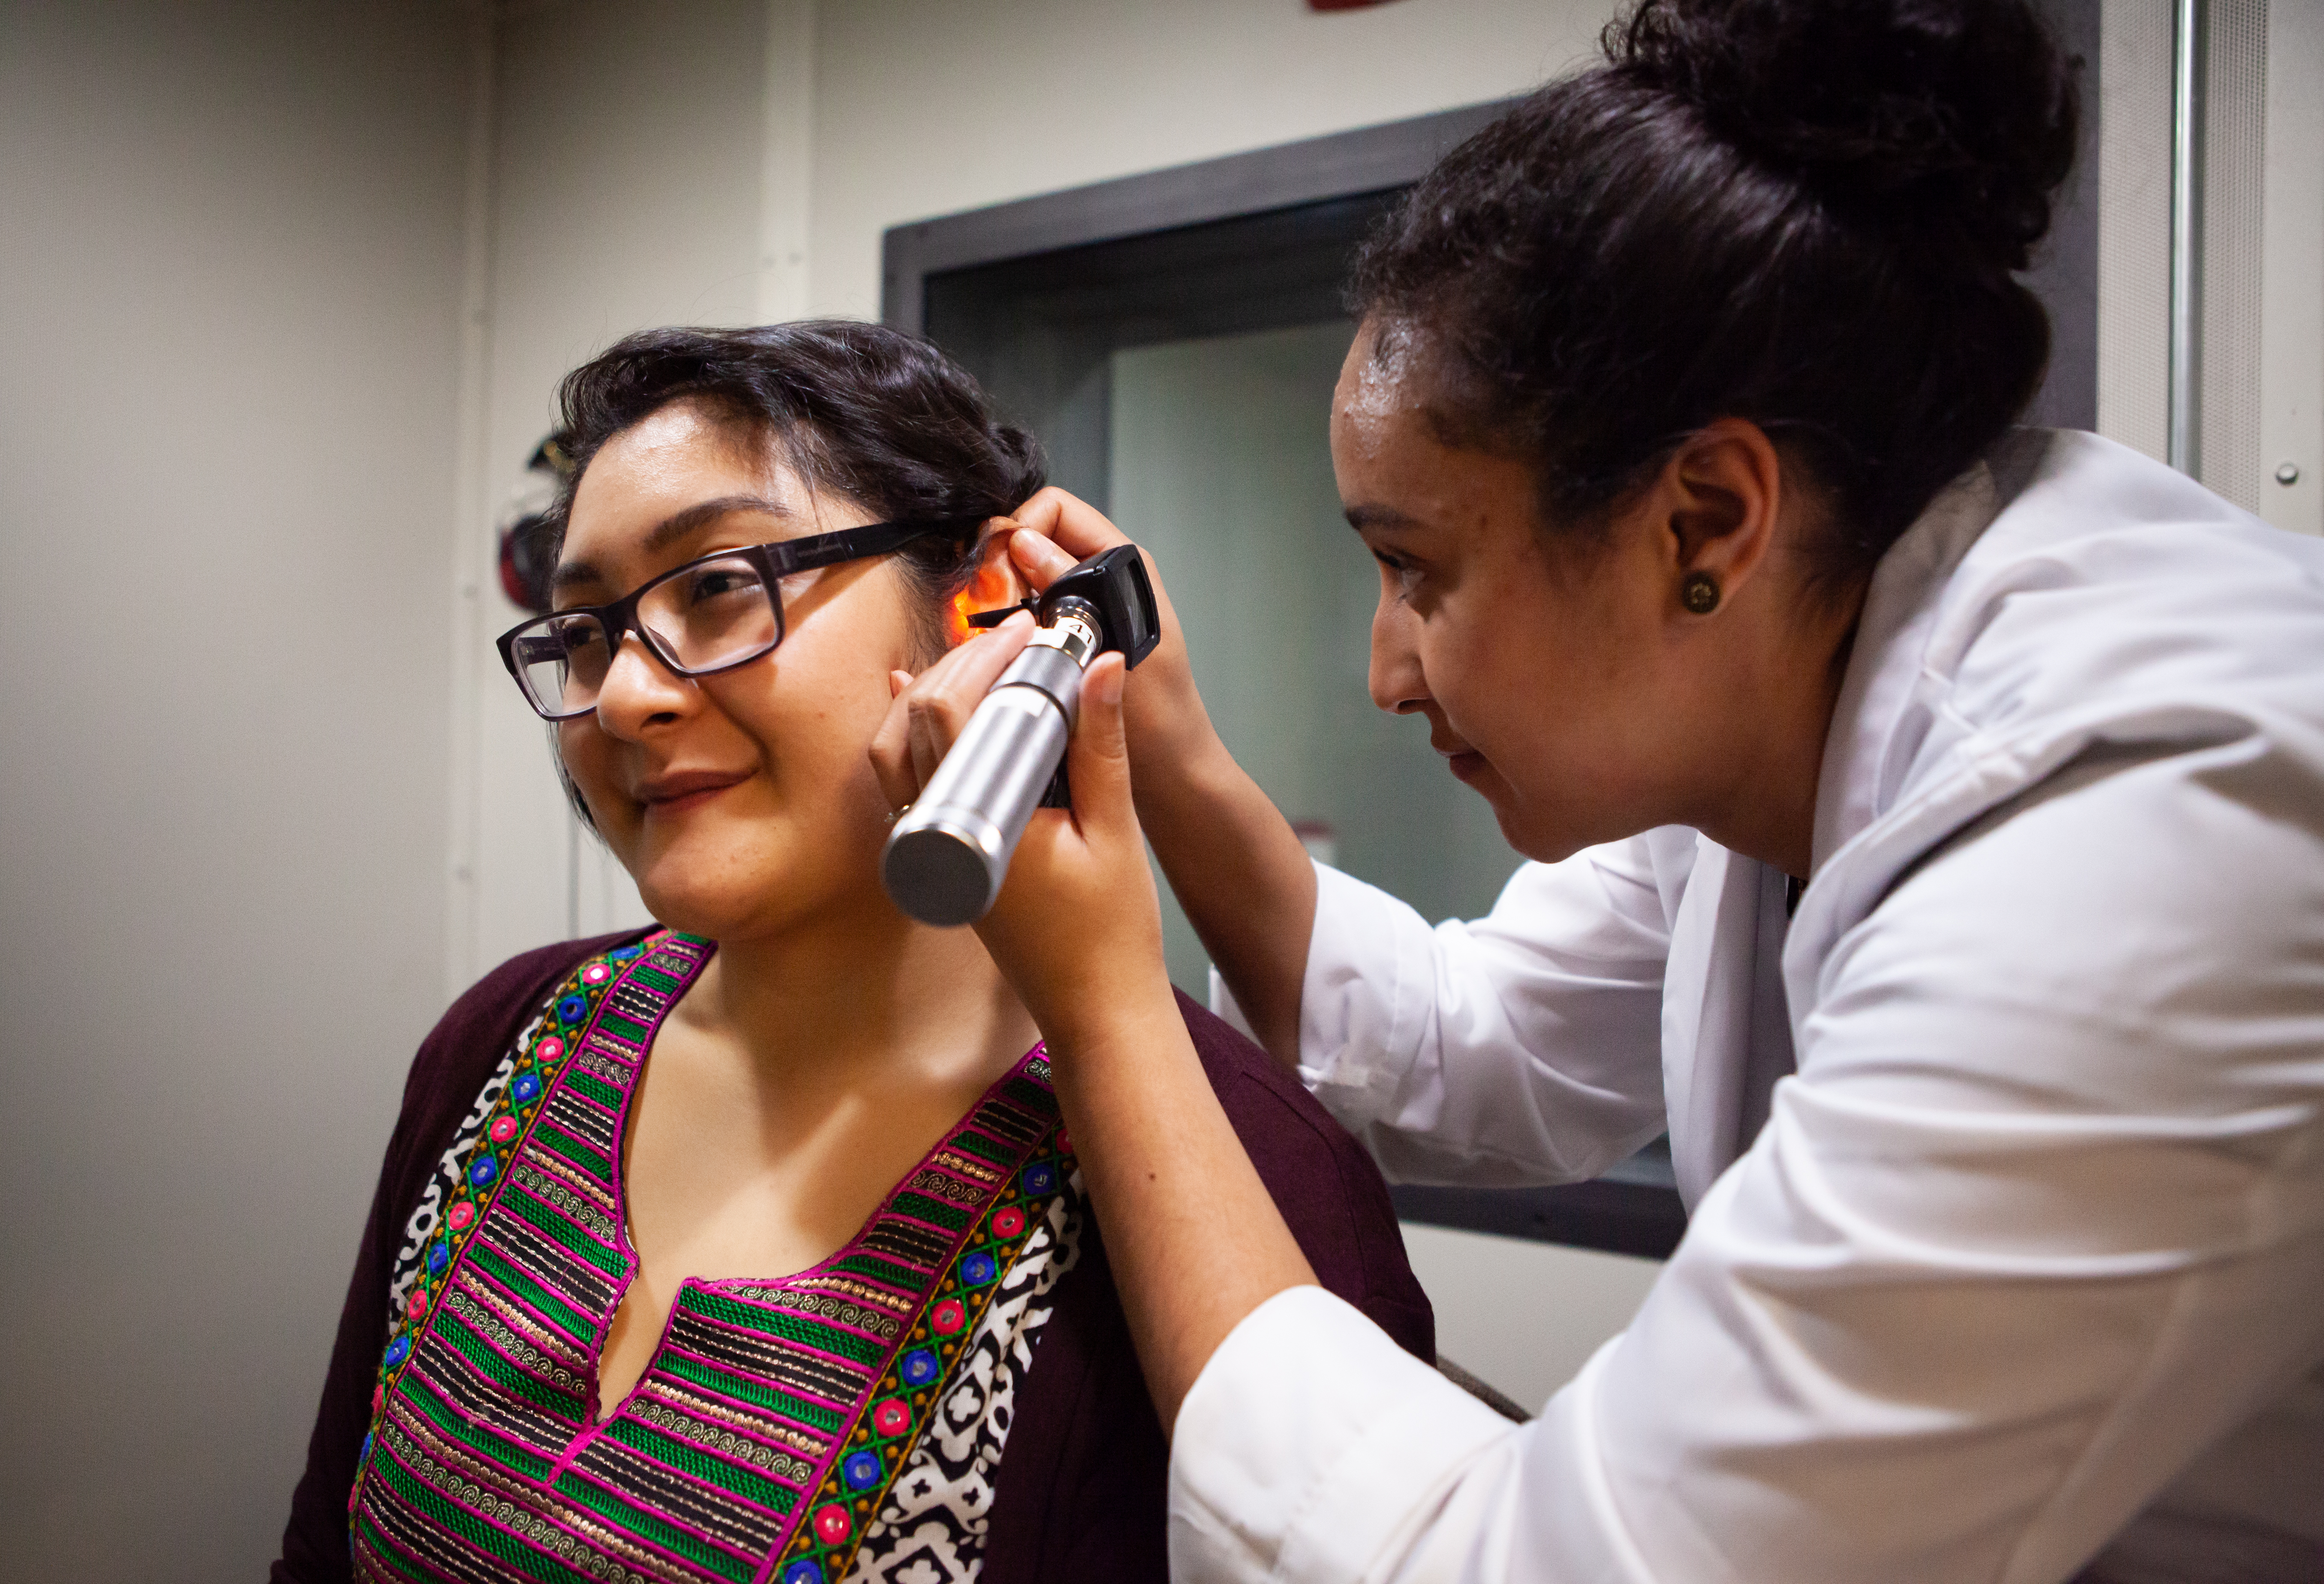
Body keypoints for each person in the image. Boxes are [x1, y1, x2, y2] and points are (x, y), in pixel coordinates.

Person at [878, 0, 2324, 1579]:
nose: (1388, 670)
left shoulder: (2135, 831)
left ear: (1706, 520)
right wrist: (1180, 762)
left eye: (1416, 571)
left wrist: (1103, 1008)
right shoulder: (1786, 725)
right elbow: (1466, 1049)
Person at [270, 322, 1434, 1584]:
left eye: (718, 586)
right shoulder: (507, 1043)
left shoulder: (1249, 1184)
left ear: (988, 606)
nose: (620, 700)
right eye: (589, 633)